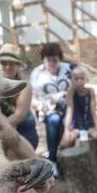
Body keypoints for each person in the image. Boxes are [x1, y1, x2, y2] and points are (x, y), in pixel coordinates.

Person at [28, 43, 72, 175]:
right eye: (49, 59)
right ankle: (52, 159)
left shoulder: (68, 69)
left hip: (68, 107)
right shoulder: (37, 73)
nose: (52, 63)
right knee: (54, 120)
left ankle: (65, 158)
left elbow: (77, 87)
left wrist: (62, 95)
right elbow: (31, 97)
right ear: (43, 59)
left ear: (60, 59)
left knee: (65, 120)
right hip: (46, 109)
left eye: (55, 60)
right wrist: (41, 105)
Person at [0, 43, 39, 159]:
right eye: (3, 63)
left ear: (17, 66)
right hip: (3, 131)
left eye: (12, 63)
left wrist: (4, 129)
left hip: (24, 131)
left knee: (11, 155)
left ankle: (42, 171)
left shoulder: (24, 86)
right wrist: (6, 129)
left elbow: (19, 116)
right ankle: (44, 173)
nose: (8, 67)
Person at [59, 67, 97, 157]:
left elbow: (93, 111)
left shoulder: (90, 91)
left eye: (82, 78)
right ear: (71, 80)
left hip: (89, 125)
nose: (79, 81)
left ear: (85, 79)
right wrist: (66, 130)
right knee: (64, 144)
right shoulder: (71, 93)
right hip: (76, 126)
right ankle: (65, 167)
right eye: (76, 79)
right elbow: (69, 111)